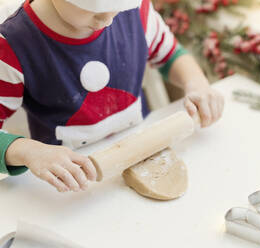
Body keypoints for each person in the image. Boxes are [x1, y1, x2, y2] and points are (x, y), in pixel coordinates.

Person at [0, 0, 224, 193]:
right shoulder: (13, 45)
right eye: (94, 8)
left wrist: (196, 82)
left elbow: (170, 54)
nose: (107, 20)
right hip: (73, 183)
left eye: (117, 7)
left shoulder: (135, 13)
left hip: (141, 149)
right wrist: (28, 151)